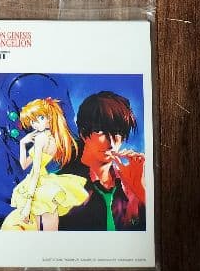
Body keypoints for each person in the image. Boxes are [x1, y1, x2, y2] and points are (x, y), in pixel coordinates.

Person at [58, 92, 146, 231]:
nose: (111, 142)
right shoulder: (58, 183)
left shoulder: (130, 185)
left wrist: (141, 192)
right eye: (100, 131)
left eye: (117, 132)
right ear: (83, 133)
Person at [0, 98, 88, 231]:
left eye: (40, 118)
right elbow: (24, 165)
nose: (35, 124)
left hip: (38, 184)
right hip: (44, 184)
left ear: (49, 117)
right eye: (32, 121)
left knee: (40, 228)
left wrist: (28, 204)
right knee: (50, 229)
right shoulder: (55, 138)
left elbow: (35, 172)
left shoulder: (41, 139)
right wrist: (23, 143)